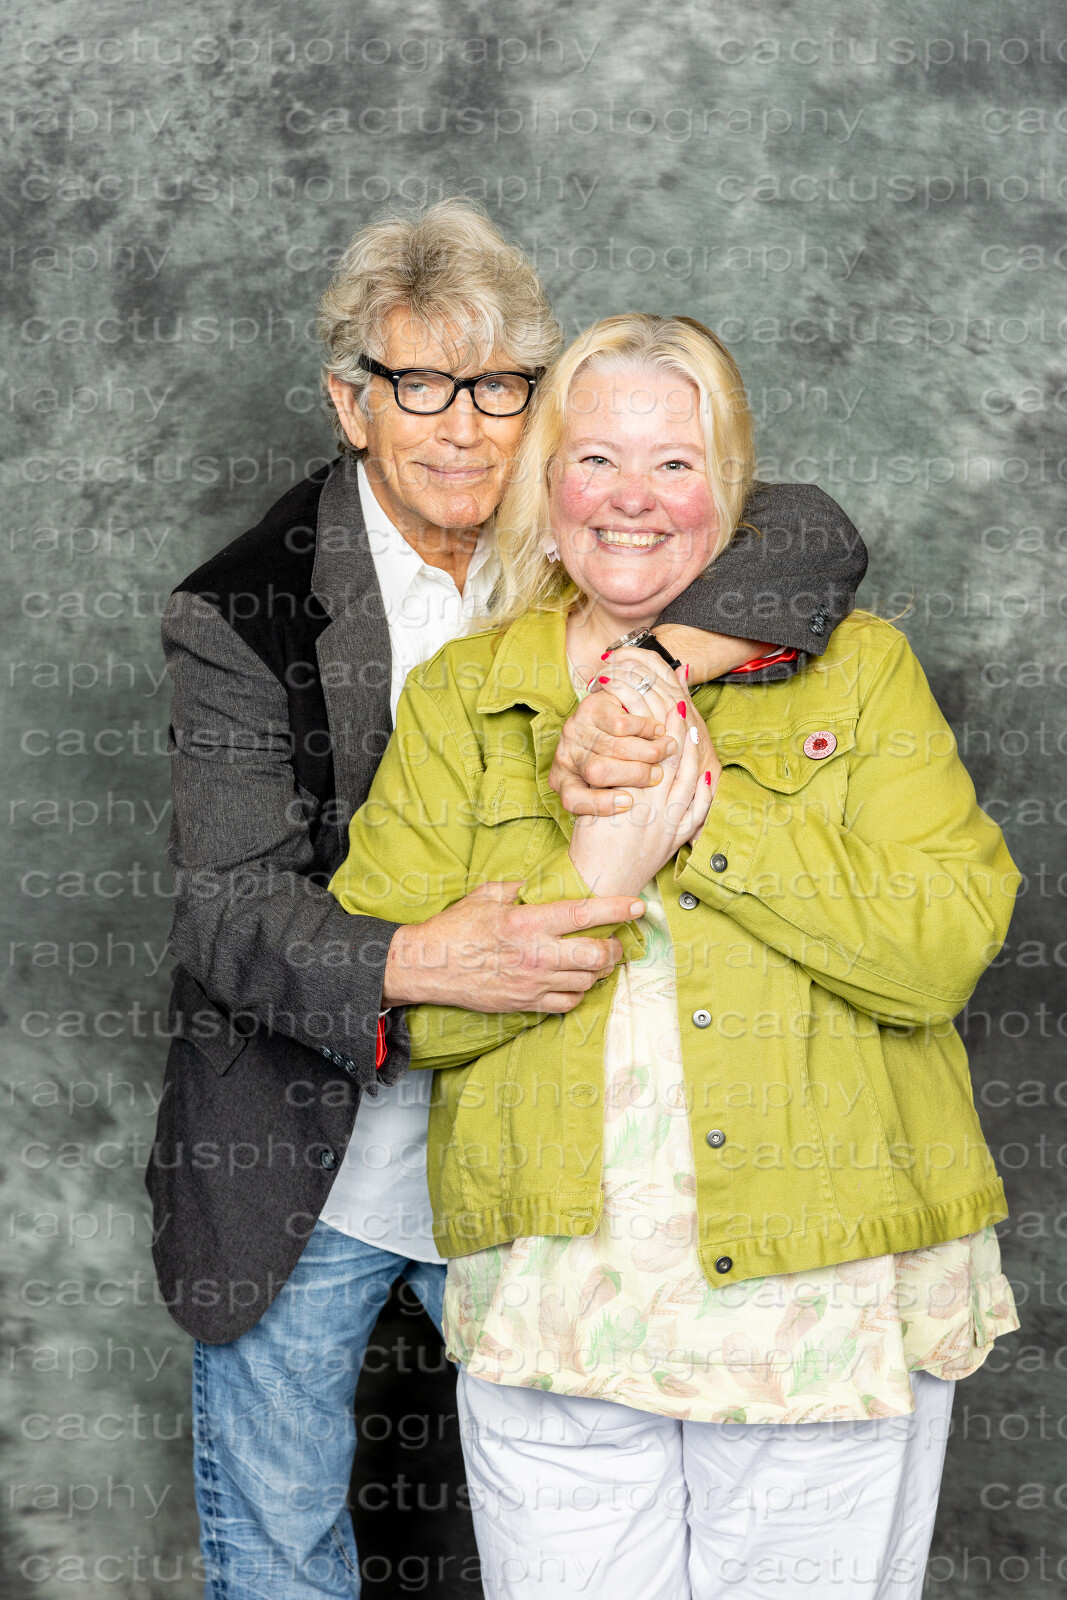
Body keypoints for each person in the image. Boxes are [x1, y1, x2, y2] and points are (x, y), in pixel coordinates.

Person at [145, 203, 867, 1596]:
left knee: (559, 1537)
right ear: (352, 404)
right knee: (284, 1548)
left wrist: (652, 663)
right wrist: (417, 959)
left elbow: (813, 532)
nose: (466, 429)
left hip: (547, 1141)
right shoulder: (242, 608)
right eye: (421, 386)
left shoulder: (597, 527)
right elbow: (226, 910)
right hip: (307, 1157)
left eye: (499, 388)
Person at [330, 312, 1021, 1600]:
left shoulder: (862, 674)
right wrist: (596, 877)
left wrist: (703, 818)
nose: (632, 499)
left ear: (731, 494)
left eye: (675, 463)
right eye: (595, 460)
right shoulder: (462, 700)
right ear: (546, 488)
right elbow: (388, 1004)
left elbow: (939, 949)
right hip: (556, 1291)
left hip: (820, 1285)